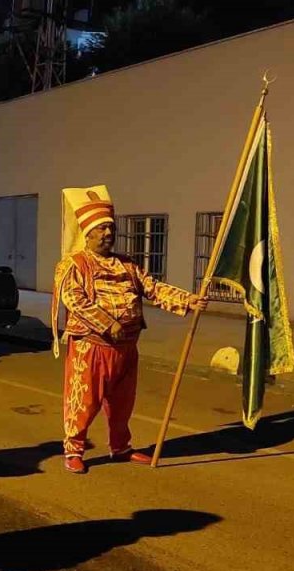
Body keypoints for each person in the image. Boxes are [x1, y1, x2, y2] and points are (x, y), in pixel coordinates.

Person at [52, 185, 208, 474]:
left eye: (110, 228)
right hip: (92, 347)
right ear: (87, 234)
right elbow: (74, 300)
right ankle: (74, 449)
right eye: (101, 229)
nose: (108, 233)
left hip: (126, 348)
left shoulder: (128, 264)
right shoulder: (73, 265)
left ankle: (120, 448)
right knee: (83, 401)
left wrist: (189, 300)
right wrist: (107, 322)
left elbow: (154, 288)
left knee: (123, 403)